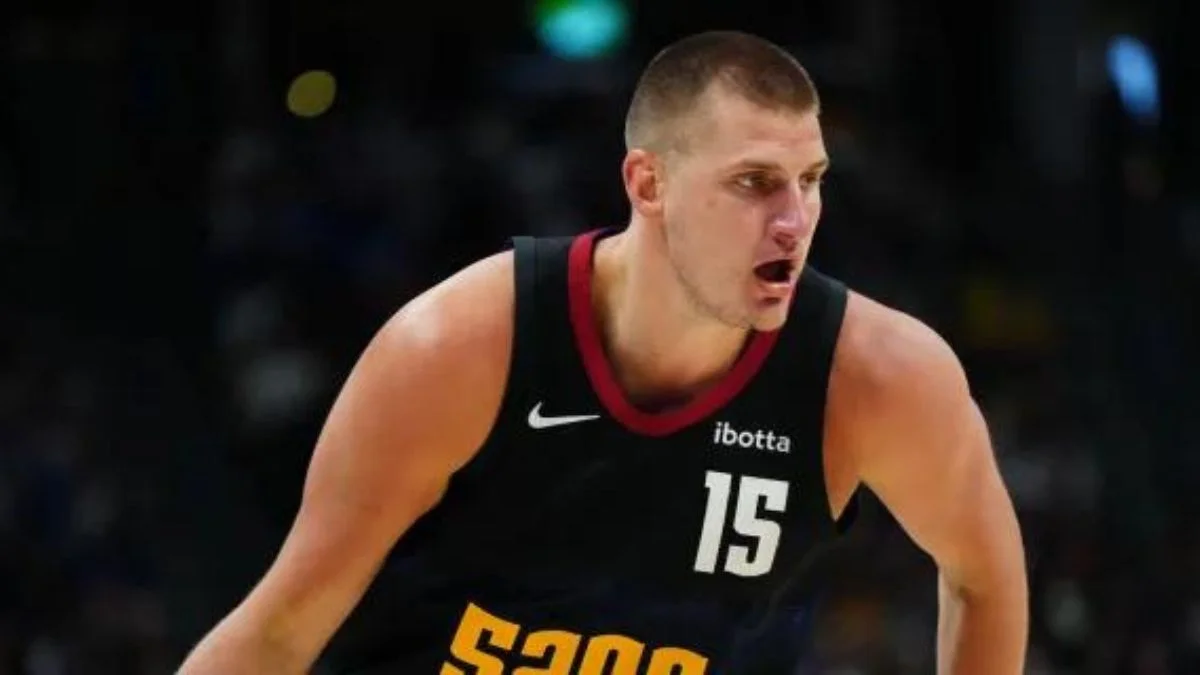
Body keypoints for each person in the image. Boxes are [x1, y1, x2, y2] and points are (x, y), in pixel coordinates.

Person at [178, 30, 1028, 675]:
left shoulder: (878, 377)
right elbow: (281, 630)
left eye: (810, 181)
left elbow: (984, 576)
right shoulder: (461, 349)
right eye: (754, 182)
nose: (794, 221)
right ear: (648, 183)